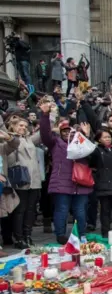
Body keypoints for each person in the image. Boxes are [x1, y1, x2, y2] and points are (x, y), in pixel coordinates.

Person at [39, 101, 93, 243]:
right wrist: (45, 115)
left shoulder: (81, 143)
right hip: (61, 183)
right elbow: (44, 134)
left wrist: (86, 136)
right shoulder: (55, 143)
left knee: (80, 211)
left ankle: (81, 234)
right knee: (61, 210)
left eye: (70, 131)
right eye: (64, 131)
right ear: (60, 132)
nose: (67, 133)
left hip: (80, 183)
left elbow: (92, 152)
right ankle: (61, 235)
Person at [4, 116, 43, 248]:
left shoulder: (28, 139)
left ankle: (28, 235)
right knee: (20, 210)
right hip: (20, 179)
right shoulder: (9, 139)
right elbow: (8, 160)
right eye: (20, 125)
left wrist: (50, 114)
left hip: (34, 179)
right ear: (13, 126)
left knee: (31, 210)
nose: (23, 128)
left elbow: (43, 132)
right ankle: (19, 238)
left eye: (25, 126)